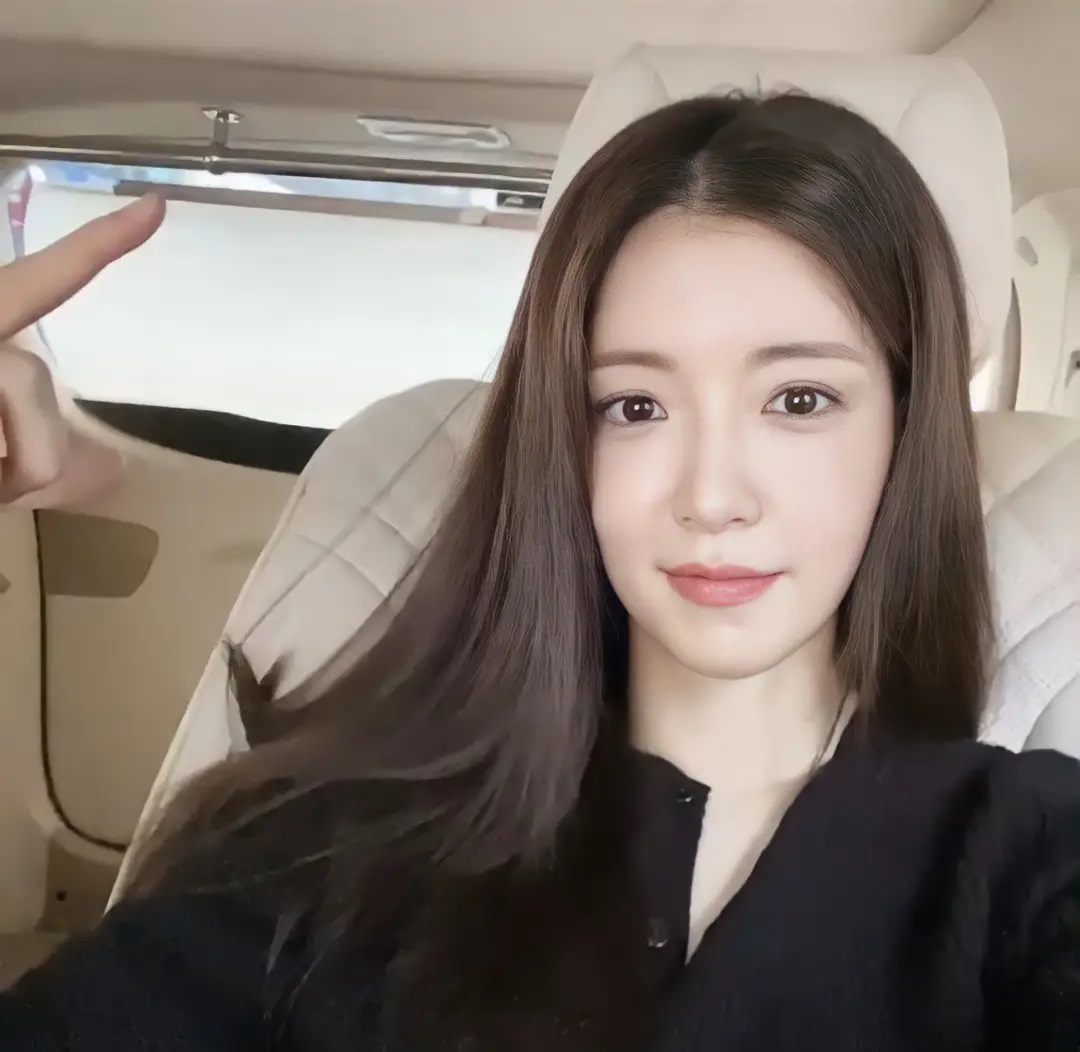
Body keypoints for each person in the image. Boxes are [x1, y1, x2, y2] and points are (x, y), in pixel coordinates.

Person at [1, 93, 1078, 1051]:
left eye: (799, 400)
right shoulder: (324, 840)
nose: (712, 495)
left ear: (905, 429)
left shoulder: (1026, 856)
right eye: (635, 406)